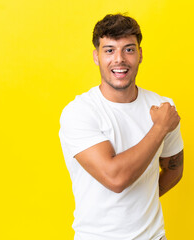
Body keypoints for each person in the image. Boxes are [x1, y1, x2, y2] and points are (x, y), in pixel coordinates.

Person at [59, 13, 184, 240]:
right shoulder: (79, 112)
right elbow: (115, 179)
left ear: (140, 54)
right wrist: (159, 128)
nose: (119, 59)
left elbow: (174, 169)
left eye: (128, 49)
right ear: (97, 57)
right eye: (109, 50)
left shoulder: (163, 108)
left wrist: (143, 200)